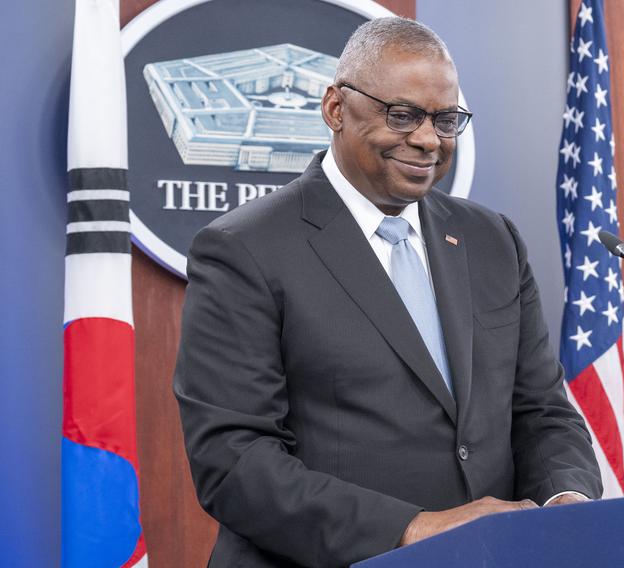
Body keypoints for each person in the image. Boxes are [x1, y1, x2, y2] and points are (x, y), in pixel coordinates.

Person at [173, 16, 602, 568]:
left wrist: (566, 499)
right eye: (402, 115)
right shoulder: (242, 249)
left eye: (446, 120)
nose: (428, 139)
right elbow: (233, 461)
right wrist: (415, 529)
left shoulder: (492, 239)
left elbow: (543, 411)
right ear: (335, 109)